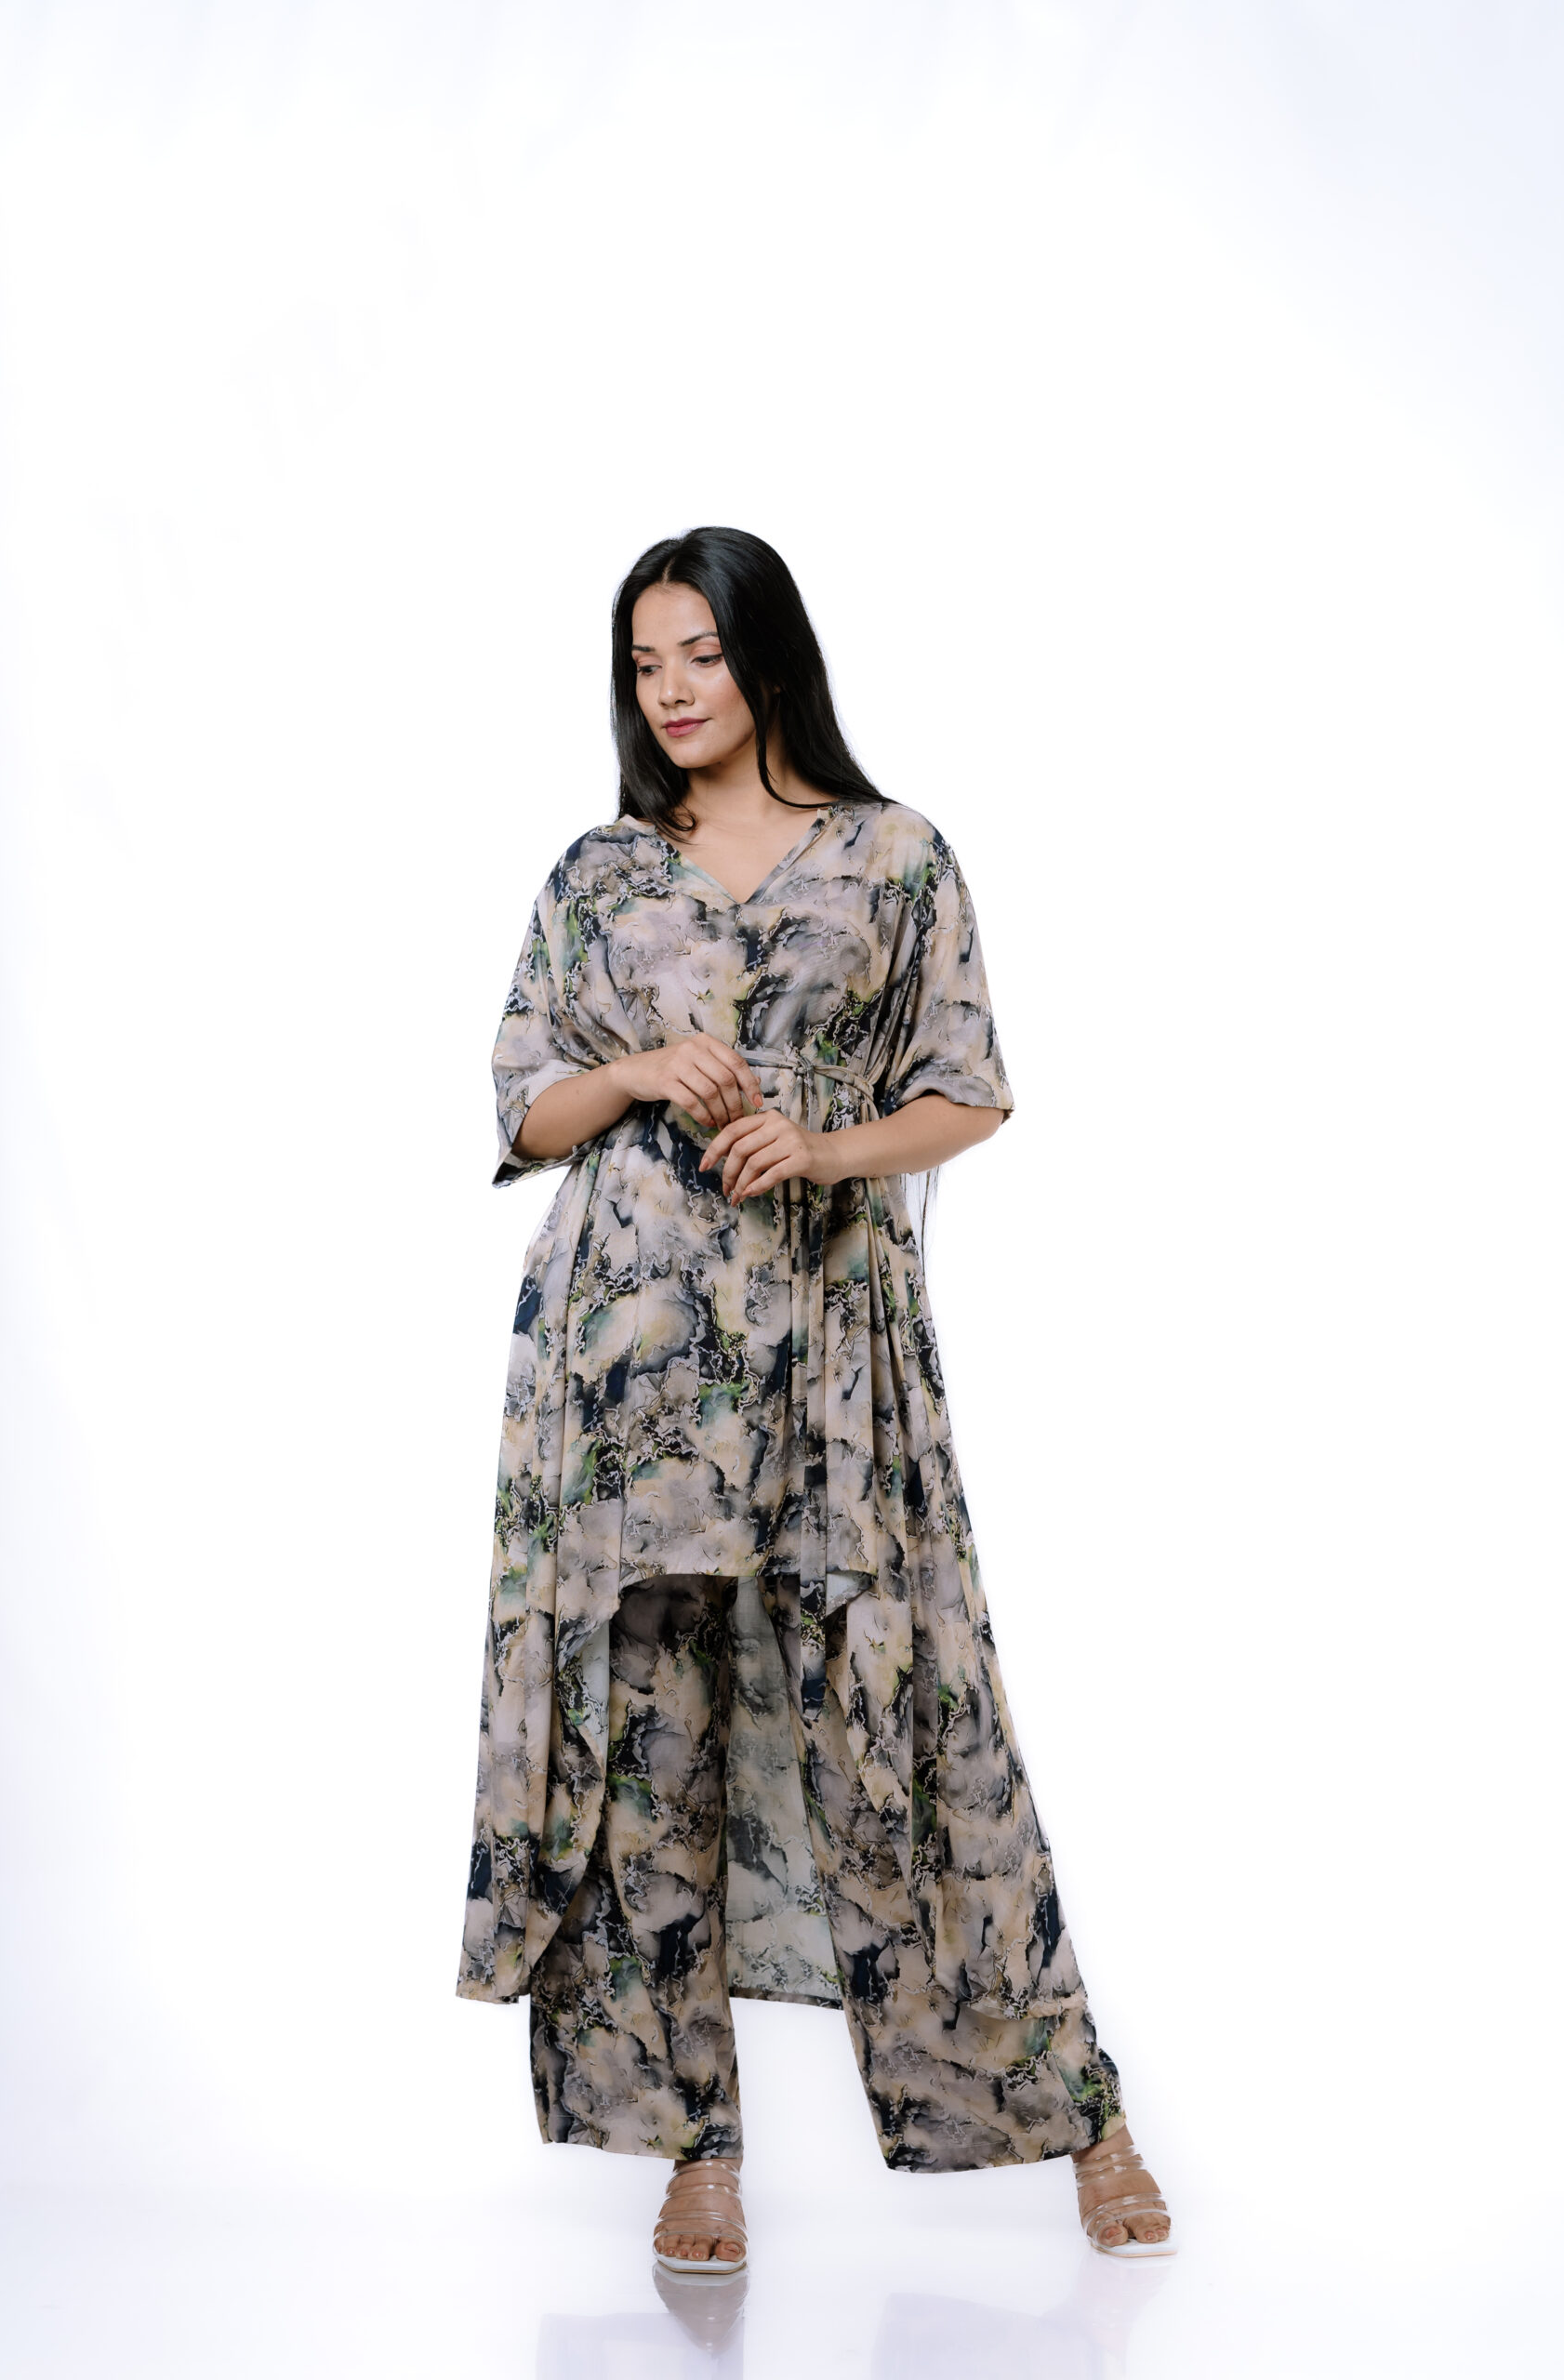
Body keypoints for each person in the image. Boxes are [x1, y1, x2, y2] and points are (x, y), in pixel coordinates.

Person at [457, 526, 1174, 2273]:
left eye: (699, 654)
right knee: (653, 1747)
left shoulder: (896, 855)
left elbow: (970, 1090)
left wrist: (829, 1146)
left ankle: (1082, 2113)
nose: (672, 692)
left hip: (834, 1357)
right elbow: (524, 1105)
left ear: (769, 655)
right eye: (644, 665)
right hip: (629, 1370)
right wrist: (639, 1066)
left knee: (912, 1720)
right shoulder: (603, 873)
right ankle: (694, 2153)